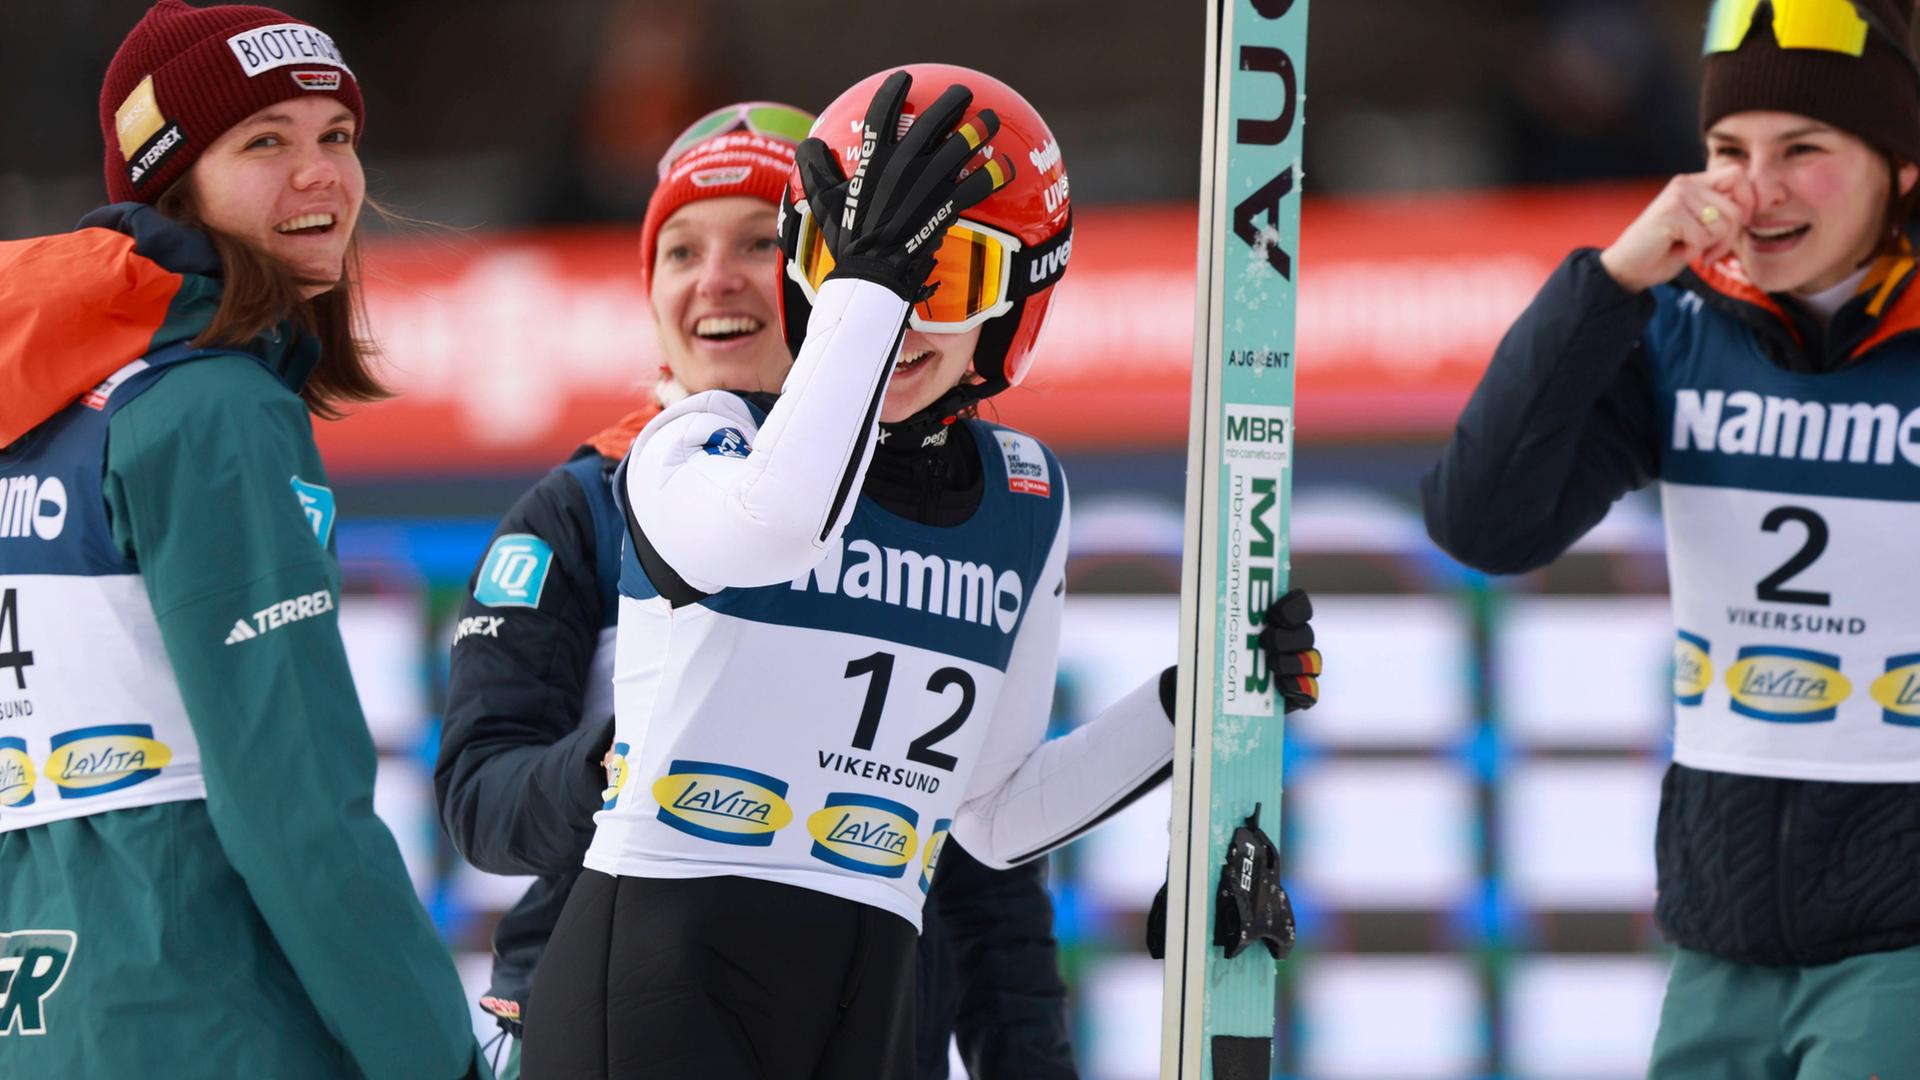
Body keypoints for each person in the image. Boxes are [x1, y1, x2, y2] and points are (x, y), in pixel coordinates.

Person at [522, 64, 1322, 1080]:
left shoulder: (1024, 496)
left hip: (871, 1006)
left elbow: (996, 817)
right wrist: (869, 287)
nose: (900, 314)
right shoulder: (696, 442)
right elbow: (781, 521)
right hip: (658, 986)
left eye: (942, 280)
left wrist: (1199, 702)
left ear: (1018, 302)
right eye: (850, 265)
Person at [436, 101, 1080, 1080]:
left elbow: (989, 869)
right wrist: (634, 757)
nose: (715, 280)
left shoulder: (959, 498)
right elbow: (480, 799)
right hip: (630, 1011)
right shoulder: (588, 501)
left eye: (754, 241)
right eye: (680, 251)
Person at [1423, 0, 1920, 1074]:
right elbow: (1484, 524)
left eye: (1804, 150)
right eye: (1729, 151)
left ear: (1900, 167)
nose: (1759, 186)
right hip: (1720, 936)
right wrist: (1607, 285)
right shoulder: (1681, 328)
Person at [0, 2, 487, 1076]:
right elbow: (296, 806)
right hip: (208, 1021)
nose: (321, 174)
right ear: (174, 187)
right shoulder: (216, 410)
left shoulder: (36, 414)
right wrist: (433, 1053)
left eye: (336, 135)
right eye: (265, 142)